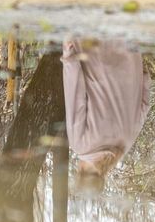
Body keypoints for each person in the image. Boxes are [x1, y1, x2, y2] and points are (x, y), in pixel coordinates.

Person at [62, 39, 149, 188]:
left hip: (129, 54)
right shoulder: (80, 145)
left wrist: (140, 69)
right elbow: (75, 96)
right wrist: (69, 54)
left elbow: (144, 104)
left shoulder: (124, 147)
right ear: (79, 172)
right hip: (95, 54)